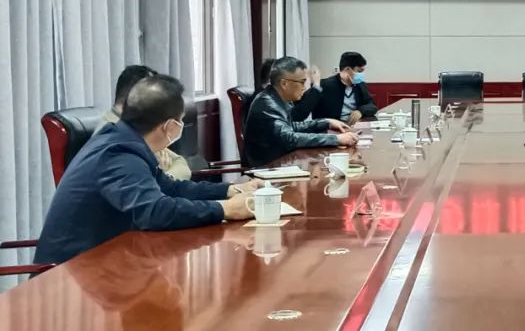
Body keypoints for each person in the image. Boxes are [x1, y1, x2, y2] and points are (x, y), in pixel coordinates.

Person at [34, 75, 260, 265]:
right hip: (70, 274)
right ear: (170, 126)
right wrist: (225, 209)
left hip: (107, 263)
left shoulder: (124, 140)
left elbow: (171, 188)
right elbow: (154, 212)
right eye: (181, 121)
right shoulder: (118, 153)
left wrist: (230, 190)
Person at [244, 56, 359, 166]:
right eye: (302, 82)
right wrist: (336, 139)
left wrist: (326, 122)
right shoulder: (267, 103)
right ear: (284, 84)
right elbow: (290, 138)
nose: (304, 87)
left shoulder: (278, 98)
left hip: (283, 160)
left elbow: (291, 126)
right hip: (268, 167)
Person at [97, 65, 191, 181]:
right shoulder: (111, 132)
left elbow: (180, 163)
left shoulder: (136, 126)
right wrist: (161, 176)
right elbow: (133, 183)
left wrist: (166, 178)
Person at [292, 51, 377, 124]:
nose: (361, 75)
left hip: (354, 126)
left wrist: (360, 111)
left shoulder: (360, 85)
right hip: (330, 129)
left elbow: (372, 105)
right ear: (347, 69)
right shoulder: (324, 85)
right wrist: (315, 88)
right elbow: (301, 109)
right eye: (359, 71)